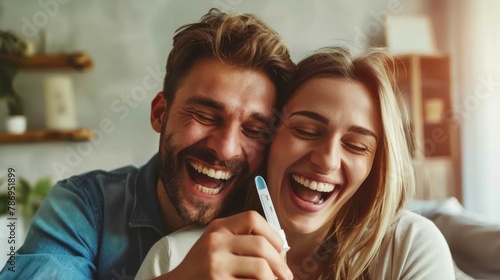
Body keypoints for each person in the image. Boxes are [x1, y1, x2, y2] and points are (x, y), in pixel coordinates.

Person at [0, 9, 296, 279]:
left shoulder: (283, 224)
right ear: (159, 113)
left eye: (254, 130)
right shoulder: (82, 207)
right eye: (205, 115)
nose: (225, 148)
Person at [135, 46, 456, 280]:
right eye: (305, 130)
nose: (327, 160)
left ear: (377, 166)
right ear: (268, 139)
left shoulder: (410, 247)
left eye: (356, 145)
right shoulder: (177, 259)